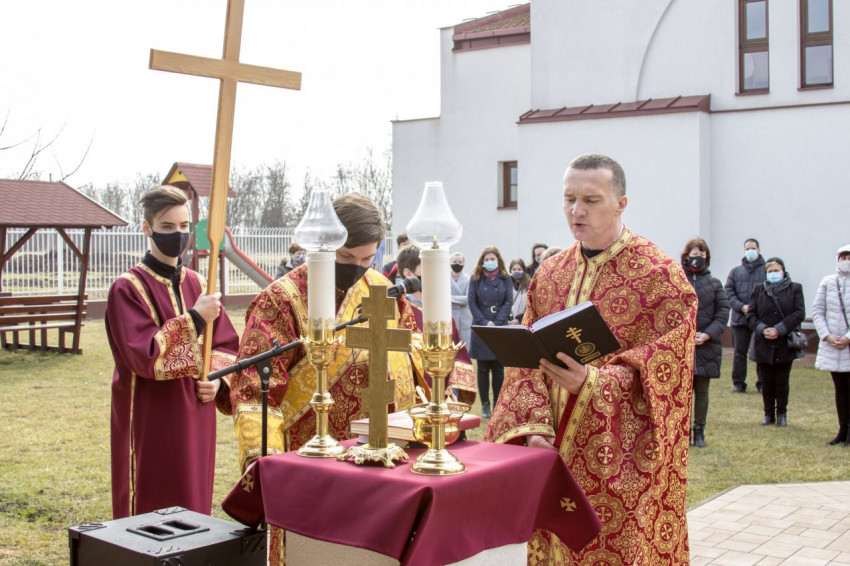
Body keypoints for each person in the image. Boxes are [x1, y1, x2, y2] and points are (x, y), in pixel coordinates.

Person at [484, 153, 697, 564]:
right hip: (552, 451)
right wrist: (534, 430)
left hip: (618, 459)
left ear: (621, 203)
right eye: (569, 199)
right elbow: (525, 362)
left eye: (591, 200)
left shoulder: (660, 277)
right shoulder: (551, 272)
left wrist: (593, 383)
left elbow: (668, 371)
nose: (576, 211)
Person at [230, 193, 415, 566]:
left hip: (382, 458)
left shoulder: (382, 289)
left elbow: (413, 355)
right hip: (309, 463)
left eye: (367, 259)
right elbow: (253, 390)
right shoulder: (280, 300)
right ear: (325, 243)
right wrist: (267, 463)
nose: (357, 268)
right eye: (346, 257)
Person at [105, 185, 240, 519]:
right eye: (167, 227)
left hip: (197, 408)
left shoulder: (199, 284)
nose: (177, 235)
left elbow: (226, 344)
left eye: (183, 226)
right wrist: (195, 318)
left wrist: (217, 381)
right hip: (151, 411)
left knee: (193, 496)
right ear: (147, 228)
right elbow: (145, 356)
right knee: (152, 497)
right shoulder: (127, 288)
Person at [396, 245, 476, 404]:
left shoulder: (443, 313)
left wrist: (452, 390)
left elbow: (457, 355)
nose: (435, 274)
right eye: (428, 268)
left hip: (442, 398)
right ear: (408, 273)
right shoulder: (397, 311)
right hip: (408, 395)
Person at [681, 237, 730, 448]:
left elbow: (723, 312)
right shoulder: (677, 280)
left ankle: (699, 432)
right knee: (682, 394)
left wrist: (707, 334)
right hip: (682, 346)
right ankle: (682, 434)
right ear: (686, 256)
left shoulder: (715, 284)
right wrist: (685, 335)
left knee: (702, 391)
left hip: (706, 345)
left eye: (701, 254)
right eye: (694, 254)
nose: (698, 258)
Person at [746, 257, 806, 427]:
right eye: (770, 271)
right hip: (763, 341)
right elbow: (751, 315)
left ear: (783, 271)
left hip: (784, 341)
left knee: (781, 380)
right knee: (766, 380)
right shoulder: (758, 290)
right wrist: (762, 328)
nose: (773, 274)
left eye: (776, 270)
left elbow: (799, 313)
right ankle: (768, 414)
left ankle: (782, 414)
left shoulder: (795, 288)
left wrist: (779, 329)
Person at [811, 244, 850, 446]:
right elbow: (818, 311)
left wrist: (848, 337)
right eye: (843, 257)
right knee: (840, 389)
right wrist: (826, 336)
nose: (846, 261)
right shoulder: (828, 282)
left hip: (848, 343)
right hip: (833, 344)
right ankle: (842, 430)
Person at [468, 246, 512, 418]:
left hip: (500, 327)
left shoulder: (505, 278)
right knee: (483, 368)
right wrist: (485, 322)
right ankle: (485, 404)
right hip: (481, 326)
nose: (490, 262)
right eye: (487, 259)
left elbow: (508, 301)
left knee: (498, 368)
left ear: (498, 260)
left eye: (492, 259)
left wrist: (498, 321)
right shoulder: (475, 278)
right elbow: (472, 302)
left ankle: (497, 404)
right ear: (482, 261)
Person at [725, 238, 767, 393]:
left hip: (760, 319)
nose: (750, 251)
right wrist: (741, 307)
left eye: (753, 248)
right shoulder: (735, 272)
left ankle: (762, 383)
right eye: (747, 249)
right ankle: (738, 383)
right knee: (739, 353)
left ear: (759, 250)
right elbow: (728, 293)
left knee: (761, 353)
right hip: (740, 319)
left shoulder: (766, 271)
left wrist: (757, 309)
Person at [450, 251, 473, 348]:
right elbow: (443, 297)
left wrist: (450, 298)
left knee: (464, 348)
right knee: (451, 347)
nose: (457, 264)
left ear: (464, 263)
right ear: (450, 262)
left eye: (460, 262)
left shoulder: (469, 279)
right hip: (450, 316)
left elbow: (468, 299)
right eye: (454, 261)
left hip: (465, 318)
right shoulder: (444, 278)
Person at [507, 257, 530, 325]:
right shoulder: (506, 284)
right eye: (514, 269)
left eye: (519, 269)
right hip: (509, 322)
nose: (516, 271)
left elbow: (531, 307)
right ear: (510, 271)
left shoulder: (529, 284)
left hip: (524, 322)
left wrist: (519, 319)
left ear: (524, 271)